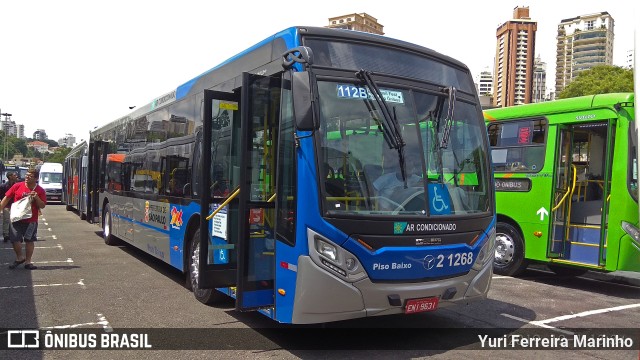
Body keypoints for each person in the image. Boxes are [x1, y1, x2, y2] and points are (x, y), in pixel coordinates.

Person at [0, 168, 47, 270]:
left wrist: (36, 197)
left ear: (36, 179)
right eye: (26, 175)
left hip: (31, 220)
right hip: (16, 217)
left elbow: (42, 205)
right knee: (15, 239)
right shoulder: (17, 186)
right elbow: (7, 198)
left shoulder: (40, 190)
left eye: (30, 176)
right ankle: (19, 257)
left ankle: (28, 262)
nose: (26, 178)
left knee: (29, 240)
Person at [0, 171, 19, 242]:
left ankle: (14, 234)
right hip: (6, 206)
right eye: (14, 175)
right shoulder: (3, 186)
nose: (16, 176)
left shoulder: (17, 185)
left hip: (16, 206)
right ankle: (6, 234)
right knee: (6, 220)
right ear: (10, 177)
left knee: (15, 220)